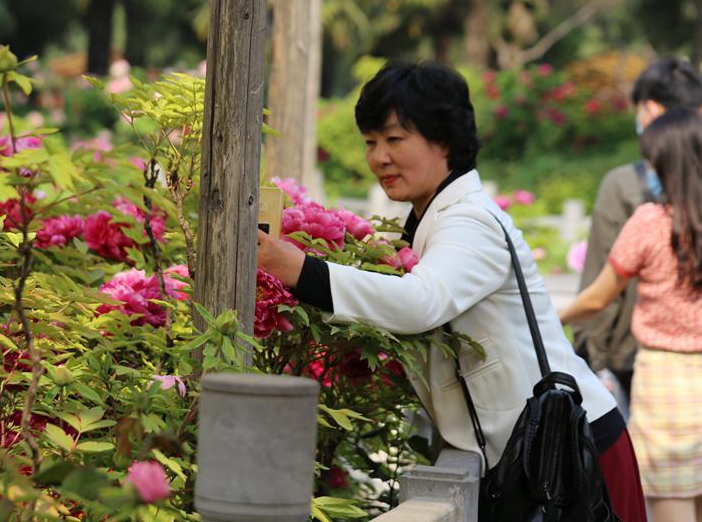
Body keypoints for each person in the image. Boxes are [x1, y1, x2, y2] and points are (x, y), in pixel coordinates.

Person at [257, 61, 646, 521]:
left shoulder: (469, 220)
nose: (379, 157)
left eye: (395, 139)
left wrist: (295, 268)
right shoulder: (431, 220)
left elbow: (420, 302)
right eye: (370, 142)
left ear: (443, 141)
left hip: (571, 452)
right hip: (535, 454)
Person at [559, 108, 702, 522]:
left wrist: (553, 316)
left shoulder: (651, 222)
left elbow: (599, 297)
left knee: (671, 504)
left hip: (664, 383)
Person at [576, 58, 702, 404]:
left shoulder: (624, 185)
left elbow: (599, 287)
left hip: (638, 360)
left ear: (649, 109)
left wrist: (592, 359)